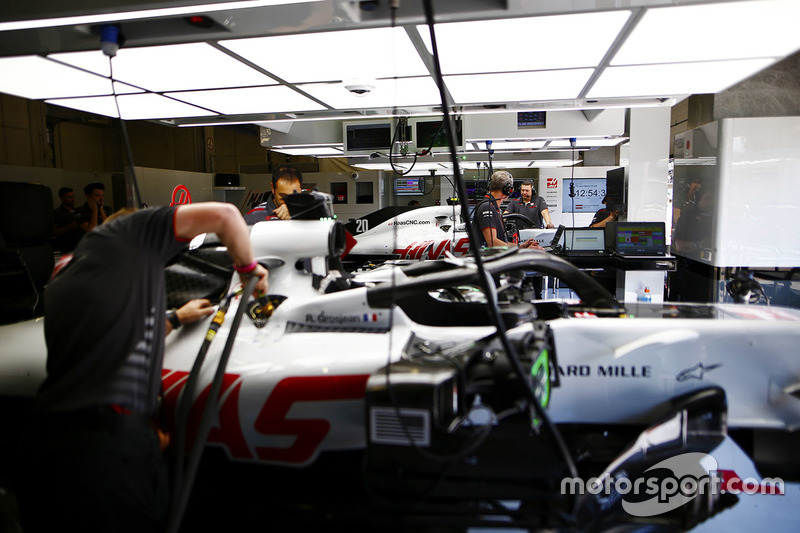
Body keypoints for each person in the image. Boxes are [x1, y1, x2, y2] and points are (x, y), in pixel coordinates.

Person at [15, 202, 269, 533]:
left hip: (54, 445)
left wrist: (177, 318)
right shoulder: (129, 233)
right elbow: (226, 216)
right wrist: (249, 269)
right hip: (108, 451)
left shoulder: (71, 271)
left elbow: (118, 332)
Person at [473, 171, 542, 249]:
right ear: (508, 190)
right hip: (487, 260)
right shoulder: (487, 208)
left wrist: (521, 247)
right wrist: (521, 251)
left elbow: (502, 242)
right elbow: (492, 243)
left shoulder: (494, 208)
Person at [52, 186, 83, 252]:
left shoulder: (78, 211)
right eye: (69, 197)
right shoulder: (57, 213)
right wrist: (70, 226)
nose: (72, 199)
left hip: (80, 246)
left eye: (73, 197)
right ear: (62, 198)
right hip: (66, 247)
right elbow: (54, 232)